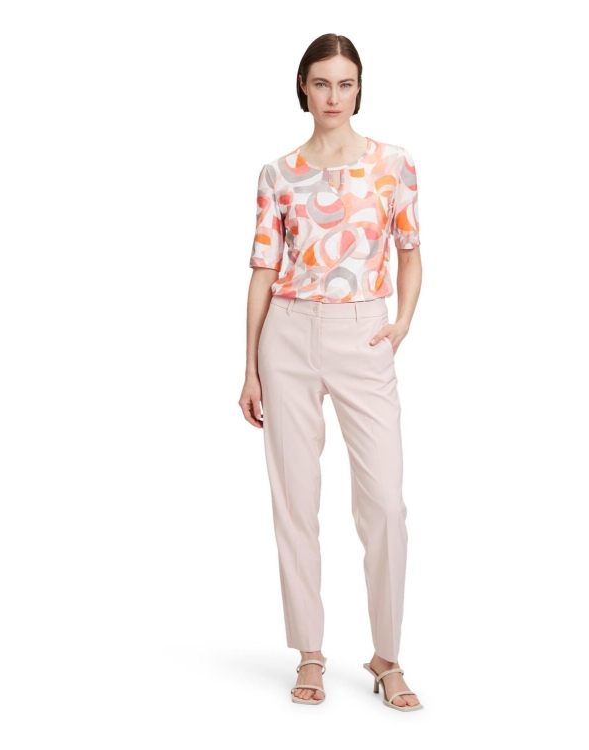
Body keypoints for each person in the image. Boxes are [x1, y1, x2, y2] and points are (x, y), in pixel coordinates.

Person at [238, 33, 424, 712]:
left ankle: (386, 656)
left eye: (345, 84)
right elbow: (263, 271)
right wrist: (249, 367)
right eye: (321, 83)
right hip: (287, 335)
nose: (333, 97)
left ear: (359, 88)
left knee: (385, 506)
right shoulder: (277, 174)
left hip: (362, 332)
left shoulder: (393, 164)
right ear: (303, 88)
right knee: (295, 500)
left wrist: (401, 323)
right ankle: (309, 653)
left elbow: (410, 252)